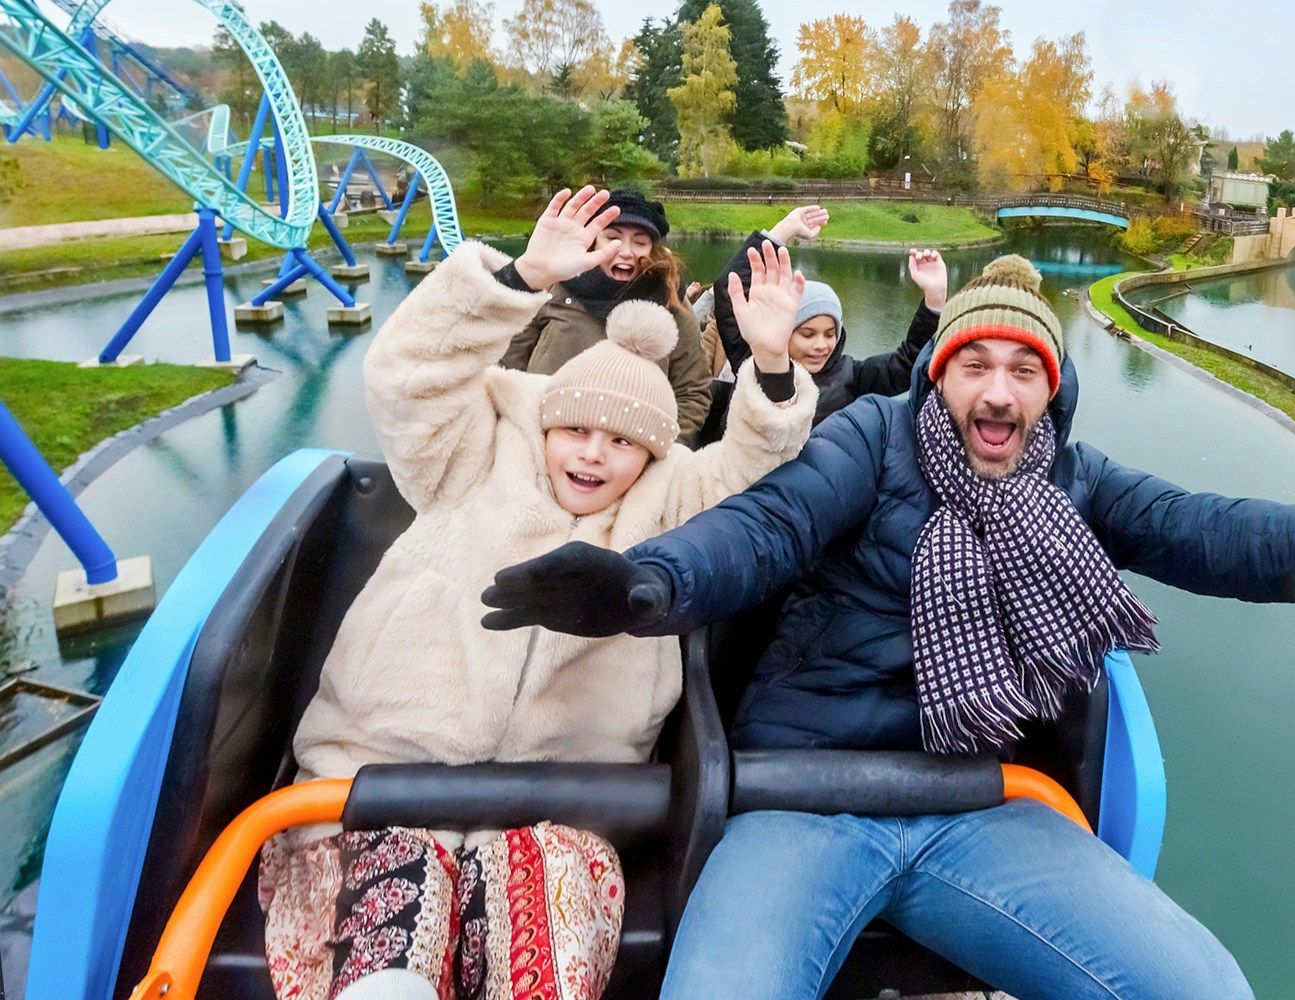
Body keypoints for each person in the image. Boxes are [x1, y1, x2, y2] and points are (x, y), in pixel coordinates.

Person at [478, 254, 1295, 1000]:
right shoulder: (869, 439)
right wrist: (644, 585)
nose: (1000, 389)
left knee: (1203, 989)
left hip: (982, 805)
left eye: (1026, 368)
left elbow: (1224, 535)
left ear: (1052, 394)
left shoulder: (1073, 481)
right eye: (976, 364)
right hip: (805, 795)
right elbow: (764, 529)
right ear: (938, 378)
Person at [259, 186, 817, 1000]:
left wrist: (771, 364)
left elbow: (753, 470)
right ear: (544, 424)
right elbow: (409, 376)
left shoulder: (668, 502)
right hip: (380, 784)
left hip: (562, 810)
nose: (593, 456)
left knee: (544, 942)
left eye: (623, 442)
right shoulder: (470, 460)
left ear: (653, 455)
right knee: (389, 945)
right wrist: (519, 277)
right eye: (576, 431)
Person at [498, 189, 713, 439]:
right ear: (593, 242)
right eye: (612, 238)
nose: (625, 251)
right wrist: (522, 436)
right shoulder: (551, 285)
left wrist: (659, 455)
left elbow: (693, 391)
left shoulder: (672, 302)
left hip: (629, 463)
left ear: (653, 250)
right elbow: (505, 365)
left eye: (640, 242)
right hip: (539, 440)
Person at [711, 204, 949, 428]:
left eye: (830, 334)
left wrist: (935, 300)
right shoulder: (753, 358)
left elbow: (908, 364)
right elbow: (728, 288)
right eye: (807, 334)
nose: (821, 345)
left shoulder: (851, 376)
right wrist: (785, 229)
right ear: (784, 330)